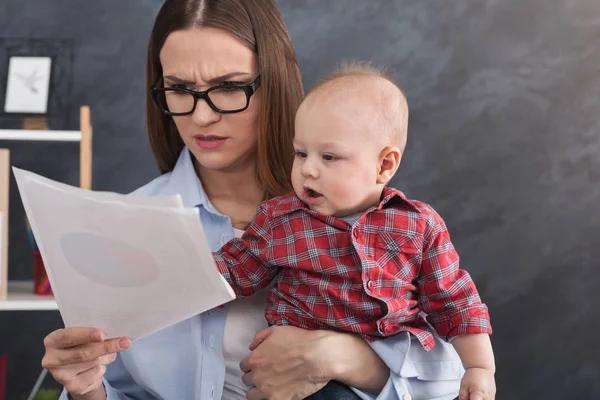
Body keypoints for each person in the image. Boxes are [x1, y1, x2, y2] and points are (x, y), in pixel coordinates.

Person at [40, 1, 466, 399]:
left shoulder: (354, 205)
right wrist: (84, 386)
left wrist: (342, 358)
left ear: (274, 81)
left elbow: (452, 377)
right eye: (179, 88)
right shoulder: (126, 225)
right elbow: (118, 389)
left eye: (229, 87)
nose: (201, 115)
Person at [212, 62, 496, 400]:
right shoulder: (281, 219)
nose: (308, 170)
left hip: (380, 371)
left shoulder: (418, 225)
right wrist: (180, 272)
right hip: (295, 373)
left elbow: (455, 302)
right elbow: (236, 269)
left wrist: (479, 368)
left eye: (329, 157)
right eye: (301, 153)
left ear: (384, 165)